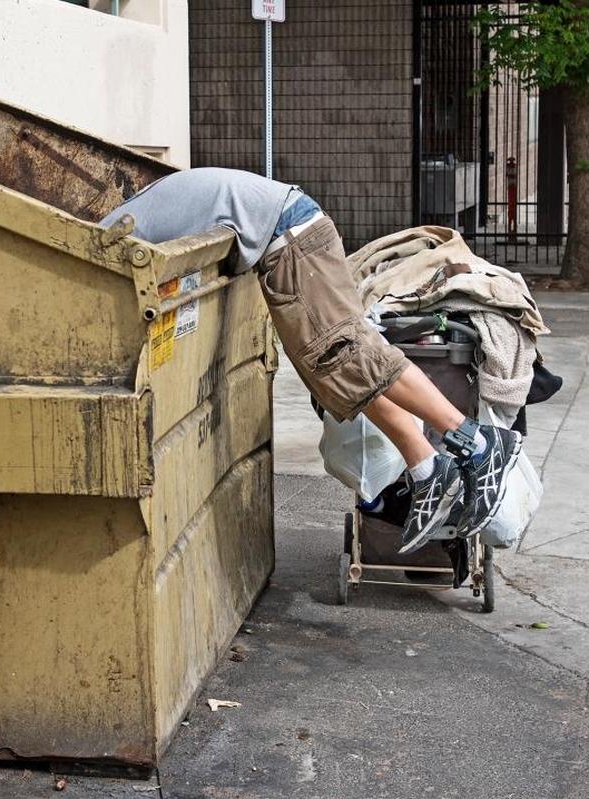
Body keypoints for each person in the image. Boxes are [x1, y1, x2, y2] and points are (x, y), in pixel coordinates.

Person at [100, 168, 522, 554]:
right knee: (336, 376)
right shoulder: (134, 212)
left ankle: (477, 442)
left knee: (352, 353)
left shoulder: (106, 237)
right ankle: (426, 464)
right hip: (285, 235)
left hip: (290, 236)